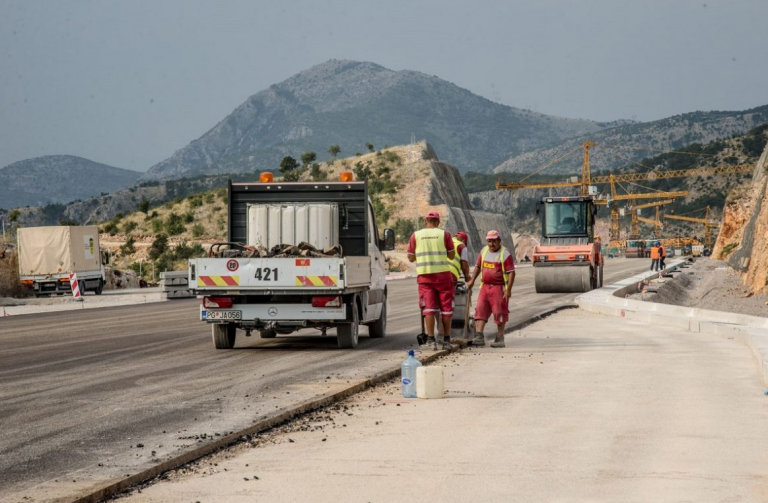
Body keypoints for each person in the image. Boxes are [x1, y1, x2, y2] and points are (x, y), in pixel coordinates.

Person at [407, 211, 456, 351]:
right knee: (446, 309)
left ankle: (431, 339)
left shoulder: (416, 235)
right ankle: (446, 340)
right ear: (438, 222)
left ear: (425, 221)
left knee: (429, 308)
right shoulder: (444, 234)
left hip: (425, 277)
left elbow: (410, 258)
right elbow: (452, 256)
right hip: (443, 276)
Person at [466, 230, 515, 348]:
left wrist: (508, 290)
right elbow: (478, 267)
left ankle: (500, 337)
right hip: (485, 286)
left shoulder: (505, 254)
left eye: (494, 241)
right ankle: (479, 336)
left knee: (499, 312)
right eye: (489, 241)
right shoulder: (484, 251)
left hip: (499, 288)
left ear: (499, 241)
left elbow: (511, 273)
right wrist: (472, 280)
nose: (491, 244)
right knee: (480, 310)